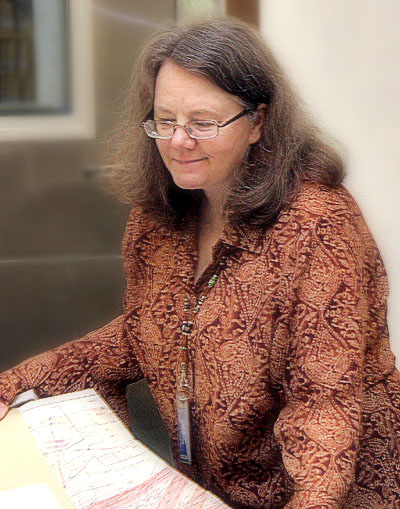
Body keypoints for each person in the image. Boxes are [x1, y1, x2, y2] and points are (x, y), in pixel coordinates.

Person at [0, 17, 399, 509]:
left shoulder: (318, 224)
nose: (178, 141)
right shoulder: (158, 220)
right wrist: (15, 382)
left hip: (328, 491)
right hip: (219, 490)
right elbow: (151, 329)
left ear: (258, 122)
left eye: (202, 122)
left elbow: (323, 404)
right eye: (165, 120)